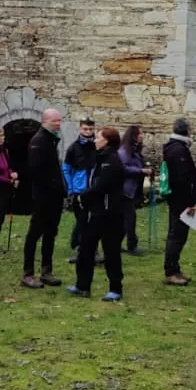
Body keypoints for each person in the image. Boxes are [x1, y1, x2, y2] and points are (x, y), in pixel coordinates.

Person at [69, 126, 127, 301]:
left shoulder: (112, 161)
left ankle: (116, 289)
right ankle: (82, 285)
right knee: (86, 248)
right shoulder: (99, 159)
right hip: (95, 212)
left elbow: (102, 186)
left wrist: (83, 196)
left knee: (111, 251)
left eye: (99, 138)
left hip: (110, 214)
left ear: (107, 141)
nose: (95, 140)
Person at [21, 109, 66, 289]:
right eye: (56, 121)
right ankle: (28, 273)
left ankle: (46, 271)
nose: (59, 124)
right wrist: (52, 187)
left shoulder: (50, 140)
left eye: (60, 120)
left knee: (50, 233)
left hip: (54, 196)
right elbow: (37, 171)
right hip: (43, 197)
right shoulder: (38, 141)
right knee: (35, 233)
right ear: (45, 121)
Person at [161, 118, 196, 286]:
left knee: (178, 235)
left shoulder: (177, 147)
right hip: (180, 201)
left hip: (178, 199)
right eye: (191, 129)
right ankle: (171, 272)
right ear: (186, 131)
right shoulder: (178, 150)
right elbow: (183, 180)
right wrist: (190, 202)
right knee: (176, 235)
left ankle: (175, 268)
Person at [63, 118, 99, 260]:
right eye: (85, 129)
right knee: (82, 220)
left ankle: (93, 249)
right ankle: (79, 249)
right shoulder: (73, 148)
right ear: (80, 129)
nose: (88, 132)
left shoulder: (98, 145)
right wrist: (71, 189)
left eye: (90, 129)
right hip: (79, 189)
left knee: (95, 220)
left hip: (95, 189)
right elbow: (66, 169)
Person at [117, 125, 150, 255]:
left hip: (132, 189)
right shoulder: (124, 151)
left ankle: (116, 243)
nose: (142, 136)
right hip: (125, 190)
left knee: (125, 219)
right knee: (130, 219)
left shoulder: (134, 150)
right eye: (140, 133)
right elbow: (123, 168)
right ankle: (132, 245)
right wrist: (140, 171)